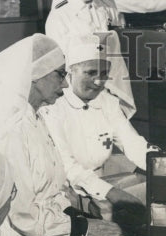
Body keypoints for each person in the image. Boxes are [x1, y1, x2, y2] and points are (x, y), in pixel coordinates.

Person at [0, 33, 120, 236]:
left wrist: (81, 212)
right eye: (60, 75)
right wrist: (85, 228)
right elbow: (24, 214)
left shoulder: (35, 120)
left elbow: (50, 188)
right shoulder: (10, 131)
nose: (64, 86)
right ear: (36, 76)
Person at [41, 34, 155, 224]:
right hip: (62, 193)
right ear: (71, 72)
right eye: (90, 73)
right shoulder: (53, 107)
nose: (98, 82)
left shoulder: (107, 102)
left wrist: (162, 165)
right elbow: (66, 166)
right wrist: (110, 192)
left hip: (98, 187)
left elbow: (133, 143)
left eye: (104, 74)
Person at [45, 0, 135, 117]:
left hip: (108, 89)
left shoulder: (104, 11)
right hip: (77, 96)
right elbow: (61, 65)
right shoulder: (60, 16)